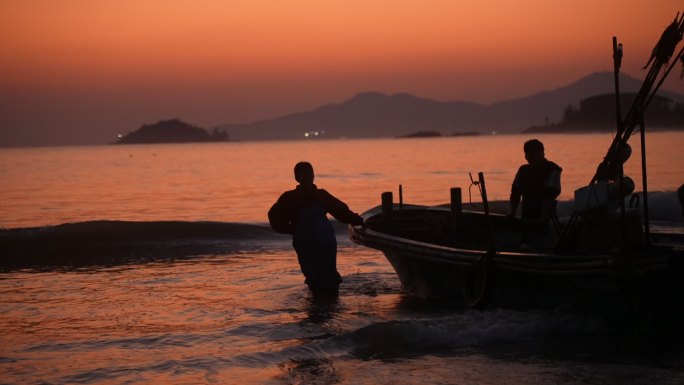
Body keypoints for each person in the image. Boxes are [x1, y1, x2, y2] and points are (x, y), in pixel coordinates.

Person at [268, 162, 364, 295]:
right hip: (304, 241)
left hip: (325, 240)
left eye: (310, 174)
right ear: (297, 178)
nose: (308, 177)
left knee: (329, 273)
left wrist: (356, 219)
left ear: (313, 175)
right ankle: (318, 304)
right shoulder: (289, 198)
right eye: (304, 174)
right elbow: (274, 217)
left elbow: (341, 211)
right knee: (312, 275)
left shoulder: (321, 195)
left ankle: (330, 304)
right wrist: (290, 229)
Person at [509, 139, 562, 221]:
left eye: (537, 155)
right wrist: (512, 213)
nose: (534, 158)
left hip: (547, 219)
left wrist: (544, 217)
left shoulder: (552, 169)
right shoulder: (523, 170)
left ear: (543, 154)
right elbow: (515, 192)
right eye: (531, 155)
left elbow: (551, 194)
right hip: (527, 216)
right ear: (526, 156)